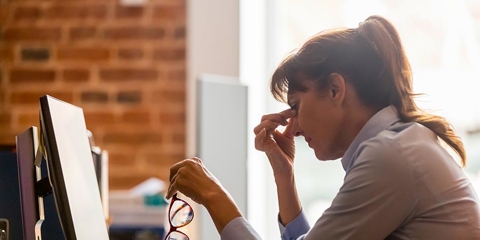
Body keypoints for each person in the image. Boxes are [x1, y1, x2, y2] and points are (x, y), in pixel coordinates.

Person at [166, 15, 480, 239]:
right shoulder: (400, 144)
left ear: (334, 89)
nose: (295, 126)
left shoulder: (390, 157)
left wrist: (212, 195)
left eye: (296, 107)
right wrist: (283, 174)